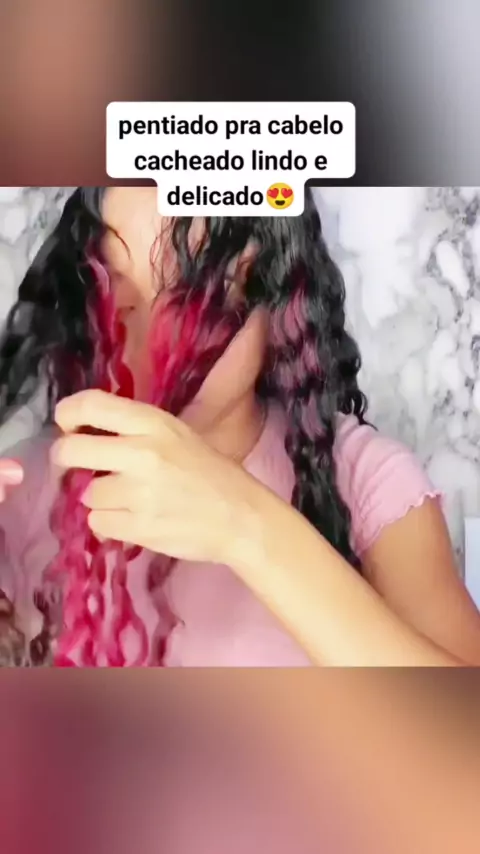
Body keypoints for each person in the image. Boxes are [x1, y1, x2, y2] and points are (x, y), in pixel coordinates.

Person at [0, 185, 479, 667]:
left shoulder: (365, 480)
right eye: (119, 301)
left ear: (278, 302)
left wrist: (247, 527)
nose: (153, 346)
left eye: (196, 303)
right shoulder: (24, 485)